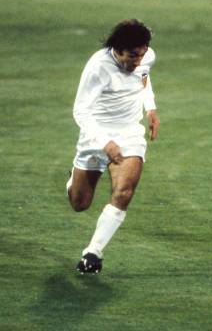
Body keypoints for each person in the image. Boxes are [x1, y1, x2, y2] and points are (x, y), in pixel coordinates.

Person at [67, 19, 160, 274]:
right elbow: (81, 111)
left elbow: (144, 77)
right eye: (132, 55)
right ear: (117, 49)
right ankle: (72, 179)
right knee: (80, 203)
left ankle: (93, 252)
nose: (138, 60)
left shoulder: (145, 57)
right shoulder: (98, 67)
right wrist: (103, 142)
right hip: (95, 135)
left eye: (142, 54)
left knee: (124, 192)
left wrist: (150, 107)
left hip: (129, 132)